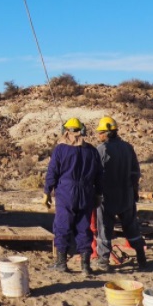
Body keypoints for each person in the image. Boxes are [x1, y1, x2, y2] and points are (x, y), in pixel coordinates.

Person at [43, 117, 103, 276]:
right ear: (82, 130)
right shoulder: (92, 150)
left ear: (65, 131)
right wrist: (98, 194)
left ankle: (61, 264)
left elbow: (52, 172)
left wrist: (47, 192)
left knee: (62, 226)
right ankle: (86, 266)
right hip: (86, 193)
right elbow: (99, 175)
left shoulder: (60, 150)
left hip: (66, 192)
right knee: (84, 227)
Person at [94, 116, 146, 271]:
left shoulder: (101, 150)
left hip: (107, 198)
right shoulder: (128, 148)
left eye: (101, 132)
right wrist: (135, 192)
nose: (99, 135)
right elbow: (135, 172)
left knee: (104, 228)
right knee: (131, 227)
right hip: (126, 196)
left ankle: (103, 261)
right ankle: (141, 257)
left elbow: (95, 175)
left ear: (107, 133)